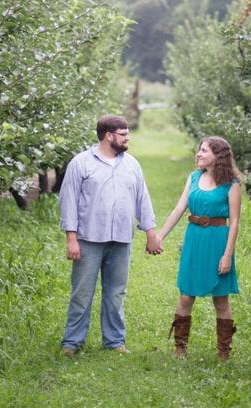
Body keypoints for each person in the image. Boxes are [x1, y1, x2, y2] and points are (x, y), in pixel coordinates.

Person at [59, 115, 163, 357]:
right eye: (123, 134)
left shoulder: (132, 165)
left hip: (121, 240)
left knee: (116, 293)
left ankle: (114, 341)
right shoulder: (81, 163)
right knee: (82, 293)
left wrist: (151, 234)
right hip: (88, 239)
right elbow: (69, 202)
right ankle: (71, 343)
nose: (128, 138)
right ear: (109, 135)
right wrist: (71, 238)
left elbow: (142, 200)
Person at [157, 136, 242, 361]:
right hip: (194, 240)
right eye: (199, 150)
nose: (199, 154)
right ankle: (180, 347)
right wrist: (160, 236)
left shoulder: (232, 185)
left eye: (204, 150)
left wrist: (227, 255)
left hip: (217, 242)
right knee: (186, 296)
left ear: (218, 156)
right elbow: (178, 209)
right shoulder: (194, 177)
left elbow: (234, 222)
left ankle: (224, 353)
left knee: (221, 300)